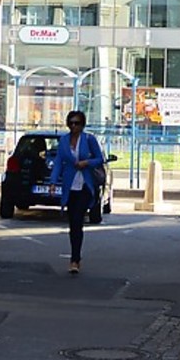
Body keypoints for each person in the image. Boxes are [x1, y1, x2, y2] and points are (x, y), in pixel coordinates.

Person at [49, 109, 106, 274]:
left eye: (77, 123)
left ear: (82, 125)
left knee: (77, 219)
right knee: (72, 223)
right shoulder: (64, 140)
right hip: (70, 186)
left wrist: (86, 163)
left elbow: (100, 159)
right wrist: (53, 182)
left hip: (85, 185)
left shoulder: (89, 139)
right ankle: (75, 257)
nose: (74, 126)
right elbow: (59, 161)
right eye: (71, 123)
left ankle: (75, 260)